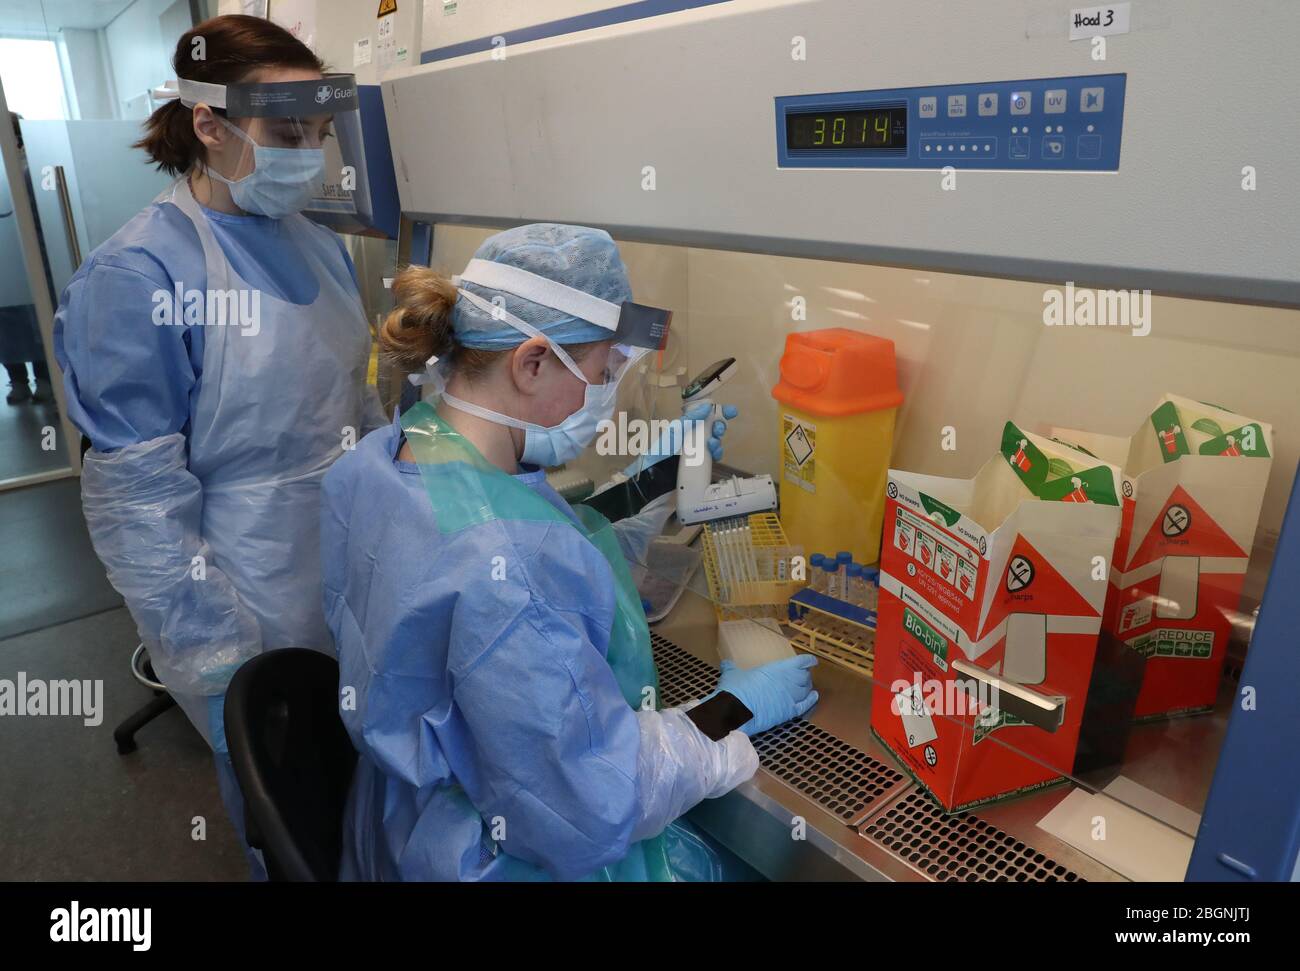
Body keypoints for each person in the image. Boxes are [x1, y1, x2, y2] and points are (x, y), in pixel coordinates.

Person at [321, 223, 819, 881]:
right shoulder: (510, 569)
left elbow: (520, 544)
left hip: (402, 826)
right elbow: (592, 801)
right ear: (531, 362)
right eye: (604, 372)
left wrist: (650, 484)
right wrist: (731, 712)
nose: (606, 399)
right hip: (495, 856)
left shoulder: (383, 461)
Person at [53, 15, 383, 870]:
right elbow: (139, 507)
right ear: (210, 123)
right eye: (285, 133)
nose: (307, 153)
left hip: (348, 560)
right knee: (294, 806)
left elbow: (355, 406)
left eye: (317, 132)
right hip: (242, 584)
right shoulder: (139, 277)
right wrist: (216, 658)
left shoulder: (320, 247)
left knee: (374, 786)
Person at [0, 112, 55, 405]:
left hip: (34, 262)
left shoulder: (31, 169)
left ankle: (45, 380)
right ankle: (18, 380)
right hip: (5, 268)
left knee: (37, 320)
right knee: (8, 324)